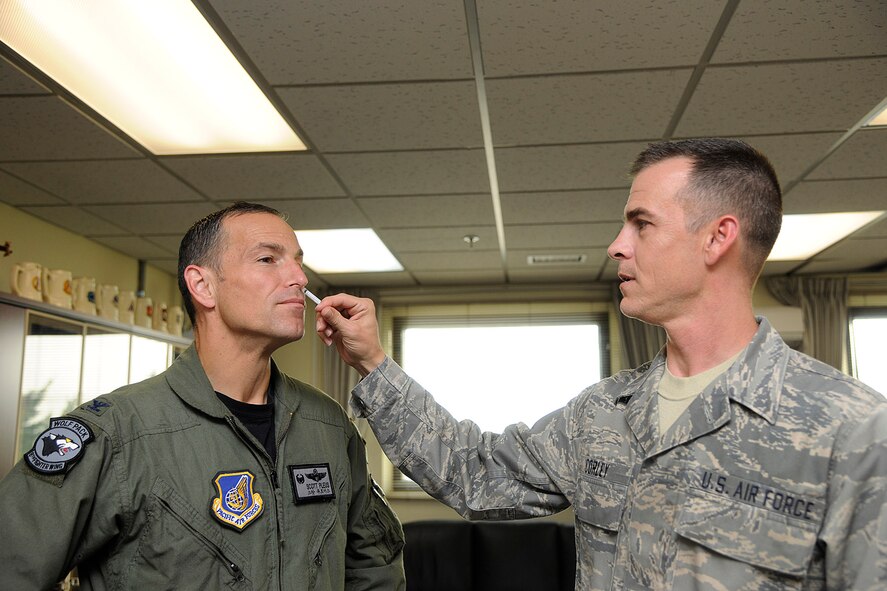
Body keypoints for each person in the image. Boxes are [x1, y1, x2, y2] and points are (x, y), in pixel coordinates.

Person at [315, 139, 887, 590]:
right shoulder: (603, 413)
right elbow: (474, 473)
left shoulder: (851, 432)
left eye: (642, 223)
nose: (616, 245)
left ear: (718, 238)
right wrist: (372, 361)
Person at [0, 202, 405, 590]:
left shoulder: (328, 425)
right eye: (268, 259)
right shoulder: (117, 433)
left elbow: (374, 562)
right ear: (203, 286)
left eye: (298, 262)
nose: (299, 278)